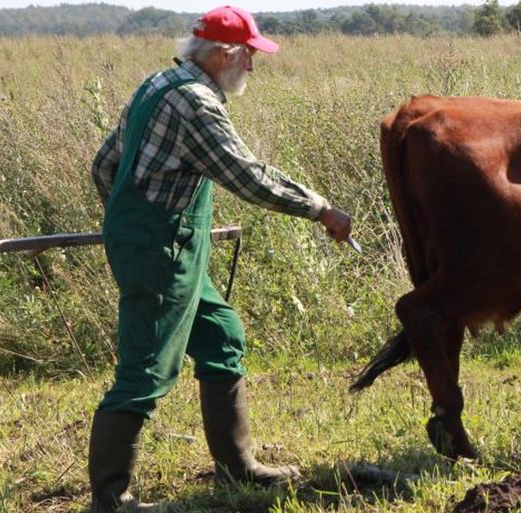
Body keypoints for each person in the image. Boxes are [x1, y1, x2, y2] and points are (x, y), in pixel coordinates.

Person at [86, 5, 352, 511]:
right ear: (225, 53)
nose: (252, 67)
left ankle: (239, 467)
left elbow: (105, 165)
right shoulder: (196, 103)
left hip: (159, 239)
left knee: (221, 334)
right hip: (163, 246)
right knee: (146, 370)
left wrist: (131, 221)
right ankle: (110, 499)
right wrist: (321, 209)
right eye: (250, 56)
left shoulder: (157, 83)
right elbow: (246, 175)